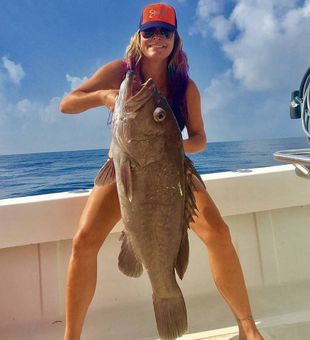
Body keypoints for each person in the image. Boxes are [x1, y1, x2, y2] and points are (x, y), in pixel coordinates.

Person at [60, 3, 264, 340]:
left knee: (219, 233)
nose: (157, 37)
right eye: (150, 31)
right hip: (124, 168)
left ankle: (247, 327)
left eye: (165, 31)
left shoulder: (186, 87)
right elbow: (67, 103)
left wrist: (167, 146)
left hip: (173, 169)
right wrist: (103, 97)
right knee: (83, 242)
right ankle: (71, 337)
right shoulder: (119, 72)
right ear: (139, 36)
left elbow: (199, 138)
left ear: (175, 38)